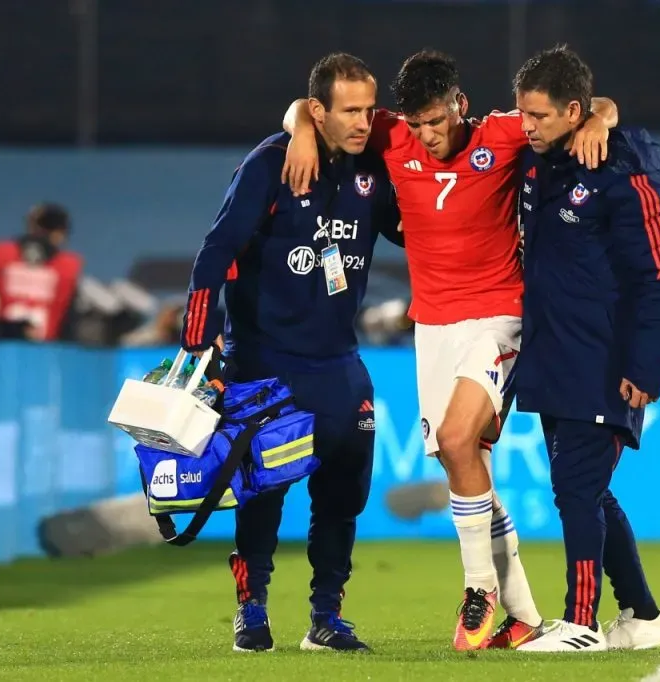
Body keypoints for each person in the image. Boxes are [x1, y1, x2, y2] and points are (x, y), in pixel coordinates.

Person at [281, 49, 617, 651]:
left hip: (498, 318)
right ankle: (522, 619)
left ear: (459, 105)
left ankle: (479, 587)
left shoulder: (499, 135)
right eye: (416, 125)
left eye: (437, 120)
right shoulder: (389, 135)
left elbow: (597, 107)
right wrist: (303, 130)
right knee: (465, 469)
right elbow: (308, 111)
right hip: (432, 327)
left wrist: (596, 121)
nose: (428, 136)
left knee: (461, 440)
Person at [179, 53, 403, 654]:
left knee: (343, 494)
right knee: (262, 491)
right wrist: (199, 338)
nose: (362, 120)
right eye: (348, 110)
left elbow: (416, 230)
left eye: (368, 108)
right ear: (318, 110)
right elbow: (216, 251)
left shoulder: (374, 170)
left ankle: (326, 617)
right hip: (266, 362)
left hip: (338, 363)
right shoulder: (269, 165)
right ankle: (251, 611)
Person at [509, 45, 660, 652]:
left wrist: (646, 366)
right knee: (587, 489)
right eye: (521, 113)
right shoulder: (540, 163)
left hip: (606, 361)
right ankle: (643, 616)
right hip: (555, 358)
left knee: (576, 491)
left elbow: (659, 277)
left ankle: (580, 623)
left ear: (573, 110)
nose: (526, 126)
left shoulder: (624, 169)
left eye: (539, 116)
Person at [0, 202, 83, 342]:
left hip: (0, 351)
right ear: (59, 234)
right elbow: (69, 324)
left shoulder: (2, 256)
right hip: (44, 355)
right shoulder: (66, 268)